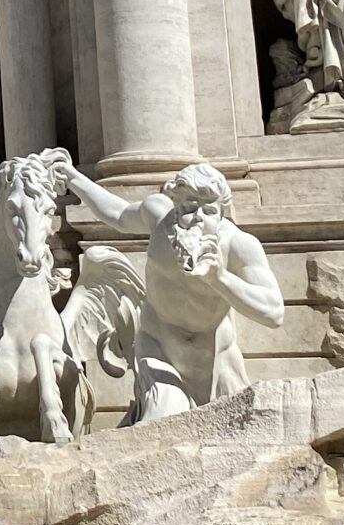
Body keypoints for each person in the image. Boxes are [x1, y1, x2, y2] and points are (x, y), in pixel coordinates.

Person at [63, 159, 284, 419]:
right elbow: (118, 213)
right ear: (176, 205)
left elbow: (274, 313)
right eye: (190, 206)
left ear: (223, 213)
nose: (198, 218)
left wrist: (219, 278)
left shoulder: (239, 245)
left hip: (215, 358)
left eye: (209, 211)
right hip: (159, 348)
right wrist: (72, 177)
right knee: (163, 421)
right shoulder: (159, 217)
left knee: (237, 436)